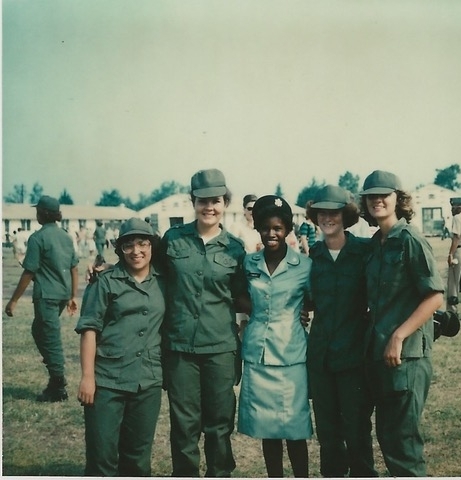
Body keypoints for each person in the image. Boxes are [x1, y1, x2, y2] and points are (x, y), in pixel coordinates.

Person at [158, 169, 247, 477]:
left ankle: (219, 473)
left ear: (225, 203)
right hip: (180, 347)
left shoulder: (235, 248)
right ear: (192, 201)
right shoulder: (172, 241)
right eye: (203, 201)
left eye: (217, 201)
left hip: (220, 348)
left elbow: (244, 297)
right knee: (184, 424)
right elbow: (149, 278)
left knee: (220, 423)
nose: (210, 207)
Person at [359, 170, 445, 476]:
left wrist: (399, 335)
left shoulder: (410, 240)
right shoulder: (376, 243)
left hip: (406, 358)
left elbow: (434, 297)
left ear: (399, 198)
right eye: (371, 195)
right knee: (389, 438)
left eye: (385, 194)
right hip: (379, 356)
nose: (378, 200)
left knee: (402, 445)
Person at [76, 218, 165, 476]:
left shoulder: (164, 280)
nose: (136, 251)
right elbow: (89, 329)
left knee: (138, 457)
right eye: (128, 245)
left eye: (143, 244)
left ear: (152, 246)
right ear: (119, 249)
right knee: (102, 455)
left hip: (146, 381)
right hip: (107, 381)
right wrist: (87, 377)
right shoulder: (105, 282)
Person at [237, 195, 313, 478]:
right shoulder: (248, 263)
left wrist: (303, 310)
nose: (272, 234)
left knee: (294, 429)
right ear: (257, 228)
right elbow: (238, 297)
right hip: (258, 354)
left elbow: (315, 299)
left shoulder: (304, 266)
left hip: (291, 356)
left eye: (278, 228)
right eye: (266, 228)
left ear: (288, 230)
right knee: (267, 431)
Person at [306, 185, 377, 478]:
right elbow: (306, 300)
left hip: (354, 356)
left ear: (345, 215)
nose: (327, 218)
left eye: (333, 212)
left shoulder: (364, 251)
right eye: (322, 213)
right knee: (328, 430)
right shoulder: (312, 255)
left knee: (357, 426)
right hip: (321, 357)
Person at [4, 196, 79, 402]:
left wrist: (14, 300)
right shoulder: (66, 236)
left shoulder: (38, 238)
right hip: (62, 295)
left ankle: (58, 385)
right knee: (39, 331)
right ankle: (55, 376)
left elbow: (29, 271)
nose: (36, 214)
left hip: (46, 296)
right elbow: (74, 268)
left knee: (50, 338)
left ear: (43, 214)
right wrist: (72, 295)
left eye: (37, 211)